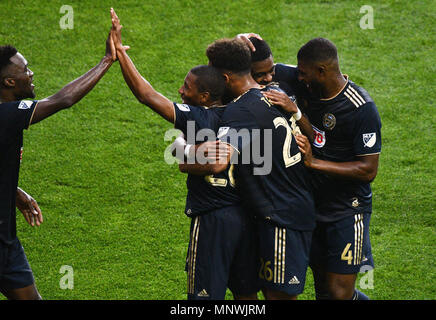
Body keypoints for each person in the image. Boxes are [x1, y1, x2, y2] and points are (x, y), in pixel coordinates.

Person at [109, 9, 259, 300]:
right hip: (245, 217)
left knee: (202, 298)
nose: (180, 90)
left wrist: (120, 54)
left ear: (204, 98)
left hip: (212, 219)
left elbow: (147, 95)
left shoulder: (199, 118)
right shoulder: (246, 111)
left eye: (187, 88)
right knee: (247, 297)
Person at [196, 37, 316, 300]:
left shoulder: (241, 112)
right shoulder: (273, 95)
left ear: (225, 78)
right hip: (275, 210)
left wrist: (182, 157)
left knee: (278, 297)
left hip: (284, 216)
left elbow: (219, 161)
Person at [0, 33, 117, 299]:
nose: (31, 74)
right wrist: (107, 60)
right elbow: (63, 100)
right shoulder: (6, 114)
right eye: (25, 70)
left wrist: (13, 190)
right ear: (9, 81)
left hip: (6, 243)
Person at [272, 37, 382, 300]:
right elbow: (266, 65)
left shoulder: (361, 109)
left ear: (321, 71)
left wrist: (314, 163)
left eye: (303, 73)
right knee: (323, 288)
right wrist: (246, 41)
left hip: (347, 209)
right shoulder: (309, 82)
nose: (299, 78)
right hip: (313, 206)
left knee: (338, 293)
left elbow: (368, 170)